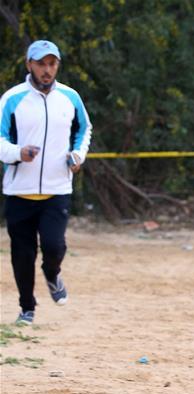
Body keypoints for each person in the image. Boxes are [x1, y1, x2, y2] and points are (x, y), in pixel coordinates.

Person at [1, 40, 92, 326]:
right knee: (22, 255)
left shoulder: (70, 97)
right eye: (41, 63)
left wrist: (78, 155)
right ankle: (27, 307)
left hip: (57, 189)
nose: (47, 70)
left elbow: (84, 129)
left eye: (52, 64)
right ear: (29, 64)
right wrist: (18, 153)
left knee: (54, 247)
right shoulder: (12, 99)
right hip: (19, 191)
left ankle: (52, 273)